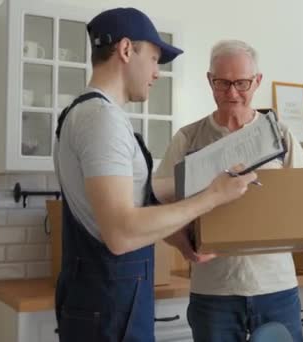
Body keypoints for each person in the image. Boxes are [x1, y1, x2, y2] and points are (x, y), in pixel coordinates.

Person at [53, 9, 257, 342]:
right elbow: (120, 231)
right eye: (154, 58)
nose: (157, 73)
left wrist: (181, 240)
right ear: (125, 49)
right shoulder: (100, 120)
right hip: (108, 304)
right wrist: (213, 196)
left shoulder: (92, 114)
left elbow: (136, 202)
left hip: (106, 298)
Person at [153, 39, 303, 342]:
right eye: (222, 83)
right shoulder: (188, 139)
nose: (232, 93)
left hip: (276, 289)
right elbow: (159, 209)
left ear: (257, 82)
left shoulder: (278, 134)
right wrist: (181, 244)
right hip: (213, 293)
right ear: (209, 81)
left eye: (241, 83)